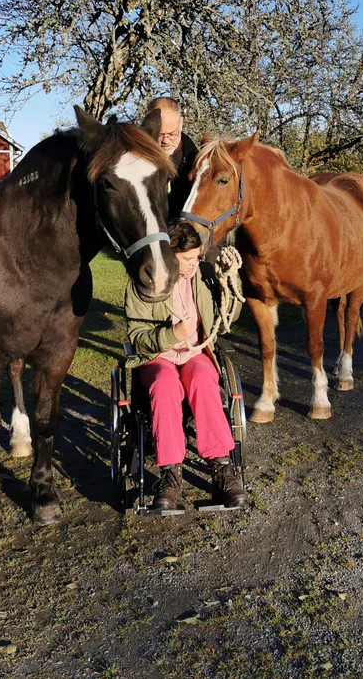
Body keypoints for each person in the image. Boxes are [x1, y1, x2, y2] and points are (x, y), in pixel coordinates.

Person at [124, 218, 247, 511]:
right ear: (169, 255)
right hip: (158, 357)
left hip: (195, 355)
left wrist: (231, 279)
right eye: (187, 259)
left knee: (205, 380)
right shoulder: (143, 280)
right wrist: (172, 334)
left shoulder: (204, 276)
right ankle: (170, 474)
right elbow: (138, 338)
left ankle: (222, 469)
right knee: (165, 384)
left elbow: (231, 316)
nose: (194, 264)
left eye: (197, 257)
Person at [145, 96, 198, 218]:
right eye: (160, 134)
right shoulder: (131, 162)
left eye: (172, 134)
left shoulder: (197, 163)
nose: (166, 140)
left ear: (181, 123)